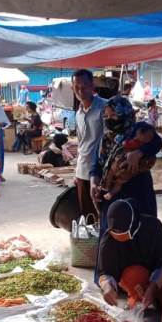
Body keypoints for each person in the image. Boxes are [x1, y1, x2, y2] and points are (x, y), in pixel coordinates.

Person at [91, 96, 161, 242]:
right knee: (111, 238)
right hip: (110, 198)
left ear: (125, 113)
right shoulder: (106, 140)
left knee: (140, 236)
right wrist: (93, 182)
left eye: (114, 115)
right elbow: (97, 165)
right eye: (107, 116)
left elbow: (157, 142)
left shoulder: (139, 131)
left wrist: (139, 152)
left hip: (138, 193)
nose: (109, 119)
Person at [98, 199, 162, 310]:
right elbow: (105, 272)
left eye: (122, 230)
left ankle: (154, 296)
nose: (118, 234)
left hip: (155, 271)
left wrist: (152, 288)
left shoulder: (153, 227)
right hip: (132, 278)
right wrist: (108, 288)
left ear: (133, 223)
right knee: (135, 276)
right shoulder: (109, 238)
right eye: (114, 230)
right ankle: (136, 297)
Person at [73, 68, 107, 217]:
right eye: (76, 87)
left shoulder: (105, 108)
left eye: (84, 86)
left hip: (101, 172)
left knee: (103, 215)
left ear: (92, 86)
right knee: (87, 216)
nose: (80, 90)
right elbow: (81, 144)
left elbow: (110, 141)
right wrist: (76, 171)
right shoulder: (78, 113)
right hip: (82, 170)